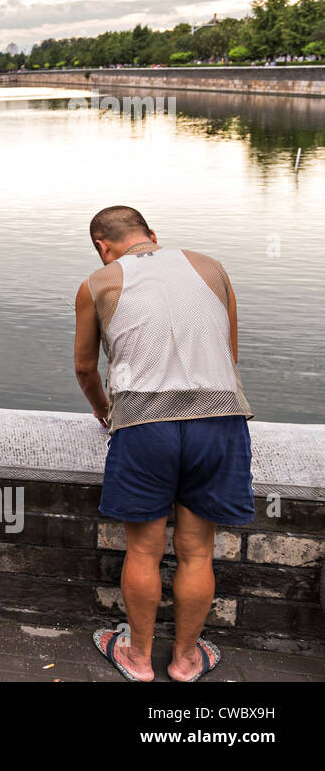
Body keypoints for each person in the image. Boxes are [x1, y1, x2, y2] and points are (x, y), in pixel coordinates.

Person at [74, 205, 254, 682]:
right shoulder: (212, 267)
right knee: (197, 550)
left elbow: (86, 369)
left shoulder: (97, 282)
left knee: (144, 550)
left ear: (102, 246)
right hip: (218, 416)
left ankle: (136, 657)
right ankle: (186, 660)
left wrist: (102, 409)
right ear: (152, 234)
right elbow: (229, 354)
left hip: (143, 423)